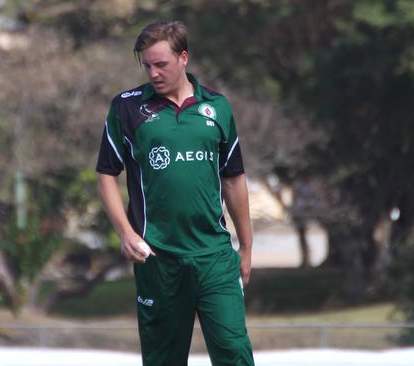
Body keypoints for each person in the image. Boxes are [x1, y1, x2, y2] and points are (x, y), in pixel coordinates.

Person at [96, 20, 254, 366]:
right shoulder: (127, 107)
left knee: (233, 353)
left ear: (184, 58)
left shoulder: (217, 108)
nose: (152, 73)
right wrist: (125, 233)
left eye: (161, 64)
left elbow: (234, 180)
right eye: (146, 65)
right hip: (158, 259)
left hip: (214, 256)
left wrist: (246, 247)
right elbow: (106, 174)